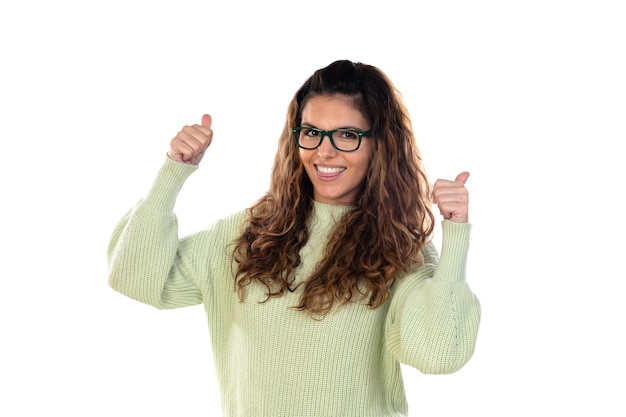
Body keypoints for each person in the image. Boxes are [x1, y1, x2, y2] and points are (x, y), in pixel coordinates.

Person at [107, 59, 481, 417]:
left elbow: (437, 354)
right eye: (312, 132)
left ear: (379, 144)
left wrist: (455, 233)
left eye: (347, 135)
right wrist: (174, 171)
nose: (324, 150)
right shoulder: (247, 234)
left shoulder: (402, 250)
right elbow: (134, 277)